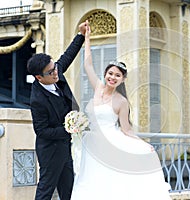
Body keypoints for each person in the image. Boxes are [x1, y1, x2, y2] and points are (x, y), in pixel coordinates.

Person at [71, 22, 171, 199]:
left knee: (107, 183)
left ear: (122, 79)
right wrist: (86, 38)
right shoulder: (98, 88)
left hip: (110, 144)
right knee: (88, 181)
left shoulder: (121, 102)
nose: (112, 77)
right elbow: (88, 65)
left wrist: (144, 144)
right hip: (90, 143)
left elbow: (126, 130)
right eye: (110, 73)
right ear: (105, 74)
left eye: (117, 75)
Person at [27, 21, 87, 200]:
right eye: (51, 72)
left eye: (55, 68)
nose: (56, 73)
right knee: (45, 192)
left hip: (65, 147)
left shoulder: (54, 72)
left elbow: (67, 56)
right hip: (50, 151)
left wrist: (81, 35)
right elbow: (42, 131)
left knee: (68, 190)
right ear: (39, 77)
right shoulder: (37, 100)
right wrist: (70, 129)